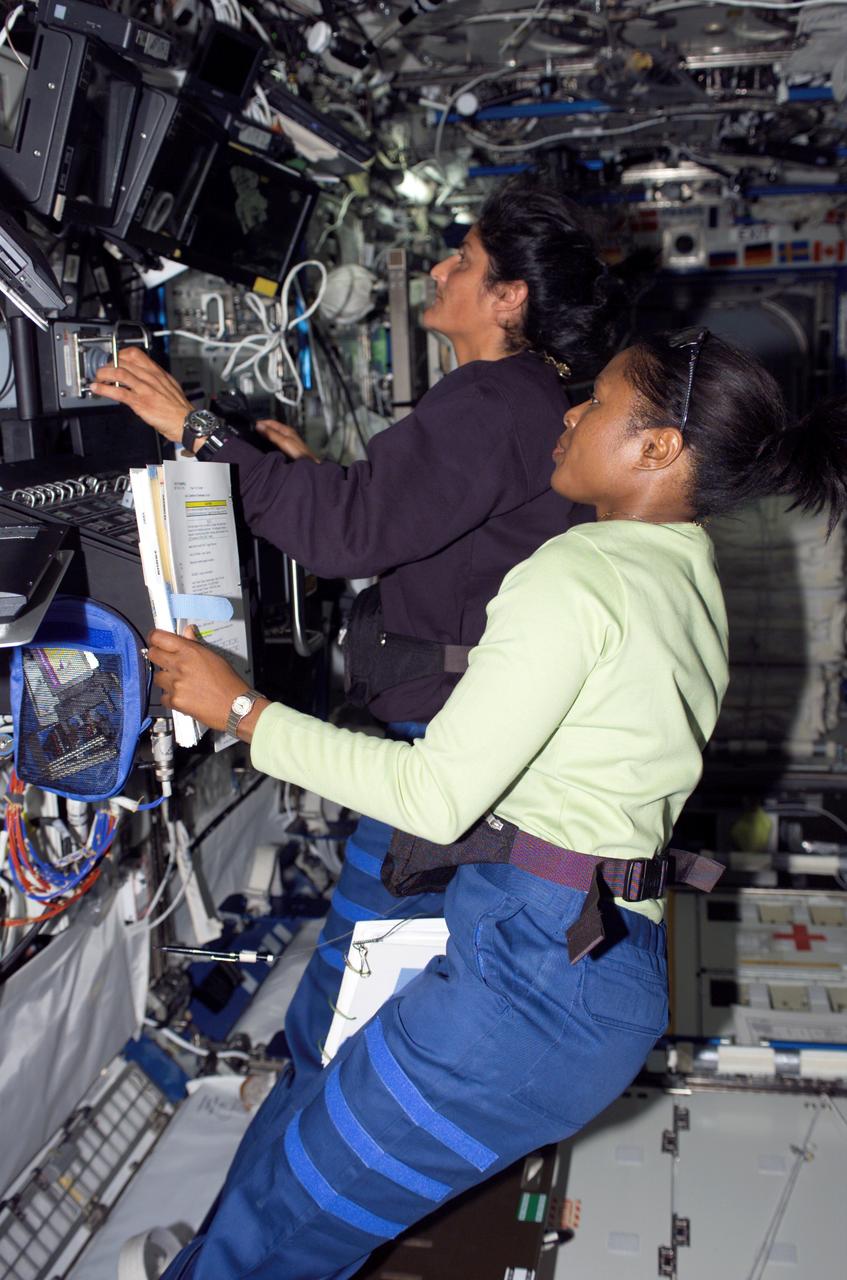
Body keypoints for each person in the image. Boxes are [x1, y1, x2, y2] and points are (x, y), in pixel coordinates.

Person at [148, 328, 847, 1280]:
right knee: (294, 1191)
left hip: (529, 982)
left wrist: (239, 709)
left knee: (276, 1232)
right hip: (585, 961)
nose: (568, 413)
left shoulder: (581, 572)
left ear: (656, 447)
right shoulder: (686, 578)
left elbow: (432, 796)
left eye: (594, 403)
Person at [92, 179, 627, 1082]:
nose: (439, 267)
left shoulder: (494, 401)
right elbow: (422, 530)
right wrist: (317, 479)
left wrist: (193, 428)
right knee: (374, 946)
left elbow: (343, 536)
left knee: (367, 961)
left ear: (509, 298)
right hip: (474, 740)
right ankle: (319, 1073)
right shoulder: (534, 401)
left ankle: (316, 1108)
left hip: (442, 744)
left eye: (463, 258)